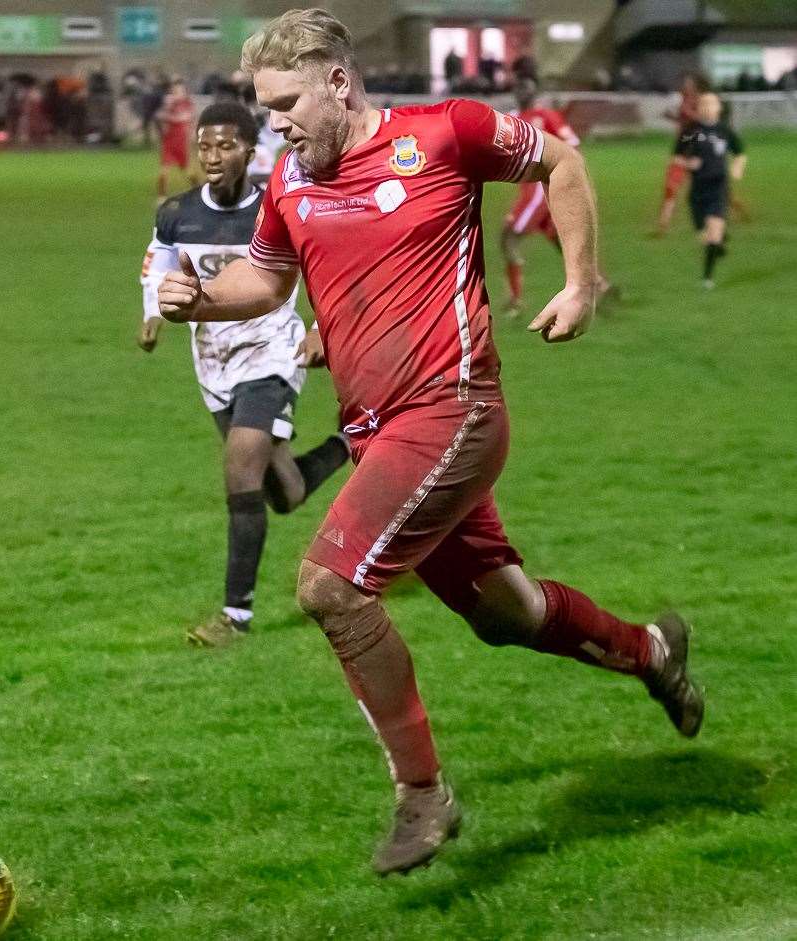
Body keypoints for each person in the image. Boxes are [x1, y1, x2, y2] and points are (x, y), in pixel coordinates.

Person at [157, 9, 703, 876]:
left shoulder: (443, 133)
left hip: (453, 411)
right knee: (505, 616)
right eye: (265, 110)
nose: (276, 124)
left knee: (330, 588)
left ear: (337, 82)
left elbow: (560, 160)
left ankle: (421, 794)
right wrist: (199, 298)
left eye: (286, 103)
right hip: (383, 437)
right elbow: (264, 277)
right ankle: (652, 650)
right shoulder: (290, 183)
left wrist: (579, 283)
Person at [141, 101, 349, 647]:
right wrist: (152, 313)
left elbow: (329, 269)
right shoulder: (178, 211)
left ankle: (235, 617)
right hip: (212, 359)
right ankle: (351, 445)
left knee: (240, 471)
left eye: (226, 145)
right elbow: (158, 262)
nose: (213, 155)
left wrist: (321, 329)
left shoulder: (278, 209)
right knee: (284, 491)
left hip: (271, 353)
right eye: (205, 145)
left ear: (251, 152)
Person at [501, 81, 616, 312]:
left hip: (539, 192)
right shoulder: (513, 118)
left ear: (534, 93)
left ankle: (515, 302)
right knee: (562, 242)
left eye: (526, 89)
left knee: (509, 238)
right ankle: (601, 284)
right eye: (519, 88)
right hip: (533, 189)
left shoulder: (546, 116)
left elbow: (572, 146)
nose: (522, 92)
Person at [675, 93, 746, 289]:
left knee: (713, 234)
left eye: (711, 104)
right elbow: (677, 157)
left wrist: (737, 168)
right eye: (703, 104)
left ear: (718, 108)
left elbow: (740, 153)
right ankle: (718, 245)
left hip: (718, 189)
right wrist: (689, 163)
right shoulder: (692, 132)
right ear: (698, 108)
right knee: (705, 238)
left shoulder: (725, 131)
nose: (707, 107)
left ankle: (707, 279)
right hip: (697, 192)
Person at [654, 73, 707, 237]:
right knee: (671, 187)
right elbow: (683, 122)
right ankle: (662, 226)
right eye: (685, 84)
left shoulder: (702, 101)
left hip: (697, 146)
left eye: (689, 84)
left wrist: (688, 113)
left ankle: (734, 208)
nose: (685, 86)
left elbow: (704, 121)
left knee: (709, 187)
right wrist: (672, 117)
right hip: (682, 147)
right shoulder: (683, 102)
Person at [155, 78, 195, 199]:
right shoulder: (169, 104)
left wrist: (171, 117)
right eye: (175, 91)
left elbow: (185, 117)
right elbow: (159, 116)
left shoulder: (187, 104)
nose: (177, 94)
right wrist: (167, 110)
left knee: (187, 170)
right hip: (169, 140)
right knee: (164, 170)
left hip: (180, 140)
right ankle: (161, 196)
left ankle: (197, 188)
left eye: (180, 91)